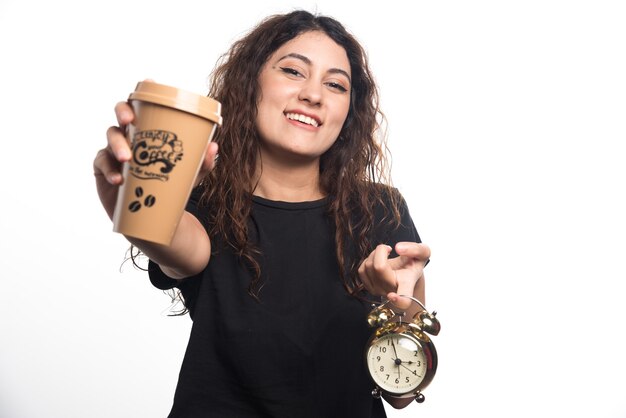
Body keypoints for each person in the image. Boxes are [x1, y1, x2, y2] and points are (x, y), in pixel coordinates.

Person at [93, 10, 431, 418]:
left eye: (335, 84)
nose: (313, 94)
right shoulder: (210, 208)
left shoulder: (380, 210)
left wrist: (393, 301)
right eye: (293, 71)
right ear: (250, 82)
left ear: (348, 112)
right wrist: (133, 196)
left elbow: (401, 393)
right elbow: (169, 236)